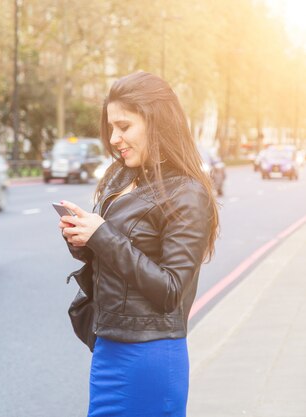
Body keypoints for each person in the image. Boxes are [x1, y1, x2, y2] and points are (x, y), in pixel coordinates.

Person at [58, 71, 219, 417]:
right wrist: (83, 238)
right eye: (111, 127)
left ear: (156, 121)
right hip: (109, 345)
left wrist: (102, 235)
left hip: (149, 355)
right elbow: (118, 255)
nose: (114, 138)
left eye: (124, 126)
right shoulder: (123, 176)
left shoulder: (187, 194)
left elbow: (170, 289)